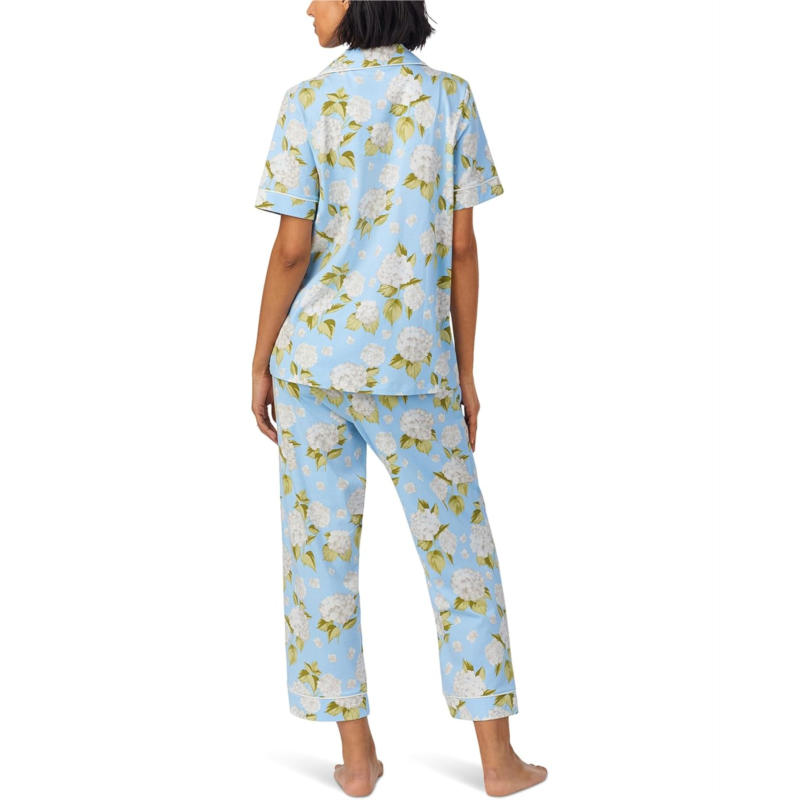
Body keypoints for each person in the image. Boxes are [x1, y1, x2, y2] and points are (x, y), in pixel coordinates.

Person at [251, 1, 547, 795]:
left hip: (313, 365)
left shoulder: (307, 101)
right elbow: (462, 247)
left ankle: (356, 759)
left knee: (320, 556)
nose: (306, 6)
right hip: (415, 369)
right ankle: (498, 761)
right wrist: (465, 372)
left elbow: (290, 251)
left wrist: (259, 362)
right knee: (461, 554)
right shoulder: (449, 97)